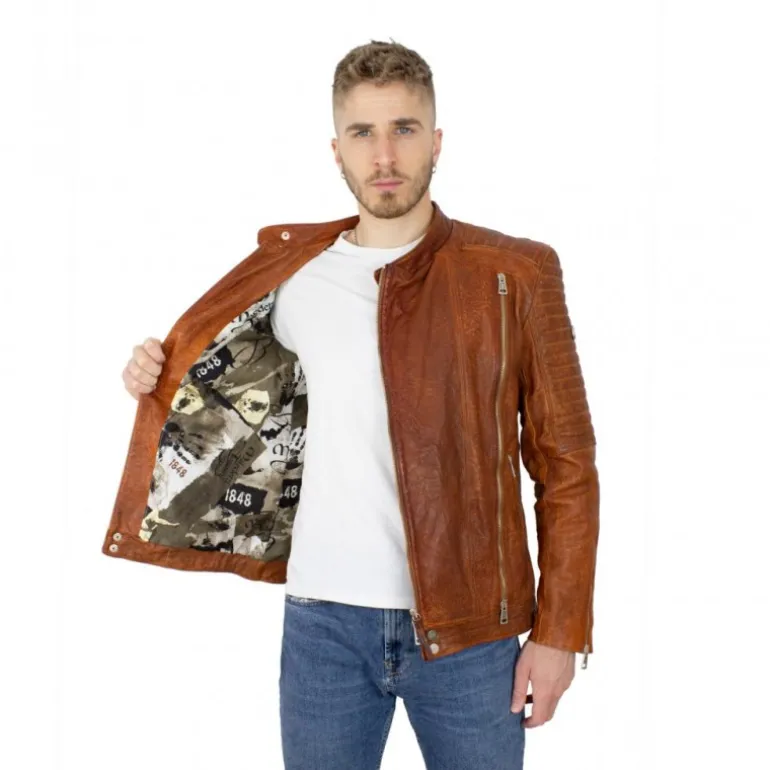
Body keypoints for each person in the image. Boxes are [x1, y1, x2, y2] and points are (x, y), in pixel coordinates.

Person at [114, 39, 600, 770]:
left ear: (437, 140)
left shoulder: (515, 272)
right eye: (363, 133)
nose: (385, 155)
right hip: (322, 627)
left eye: (404, 128)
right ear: (336, 149)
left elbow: (567, 465)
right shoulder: (294, 275)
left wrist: (561, 631)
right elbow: (216, 382)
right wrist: (154, 372)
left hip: (473, 632)